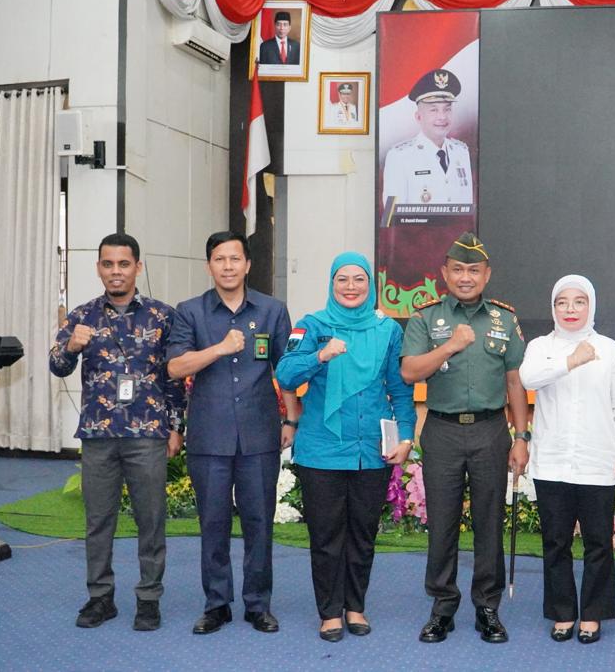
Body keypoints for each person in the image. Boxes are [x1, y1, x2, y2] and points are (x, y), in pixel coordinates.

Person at [275, 252, 417, 642]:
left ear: (370, 285)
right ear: (331, 283)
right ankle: (329, 612)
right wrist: (320, 355)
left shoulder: (387, 329)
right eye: (343, 279)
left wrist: (406, 438)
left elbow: (400, 390)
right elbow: (284, 373)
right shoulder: (312, 325)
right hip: (321, 450)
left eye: (359, 279)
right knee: (325, 535)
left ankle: (355, 606)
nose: (351, 286)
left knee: (362, 533)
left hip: (372, 450)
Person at [49, 233, 187, 632]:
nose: (115, 272)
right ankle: (100, 597)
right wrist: (71, 346)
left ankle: (148, 598)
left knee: (151, 519)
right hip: (98, 435)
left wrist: (176, 427)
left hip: (147, 434)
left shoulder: (163, 316)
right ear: (98, 268)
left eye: (123, 264)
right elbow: (57, 367)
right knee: (98, 519)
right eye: (107, 264)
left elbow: (175, 379)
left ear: (137, 267)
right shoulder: (81, 316)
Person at [167, 231, 300, 635]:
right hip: (209, 437)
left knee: (260, 523)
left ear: (247, 265)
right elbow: (175, 368)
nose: (228, 266)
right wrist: (219, 349)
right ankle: (217, 604)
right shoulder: (189, 312)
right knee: (214, 523)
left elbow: (288, 371)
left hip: (260, 436)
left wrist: (292, 419)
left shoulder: (274, 311)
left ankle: (258, 604)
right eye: (220, 259)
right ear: (209, 265)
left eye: (235, 259)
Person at [400, 231, 528, 644]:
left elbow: (514, 382)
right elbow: (410, 371)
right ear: (444, 273)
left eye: (474, 270)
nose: (466, 277)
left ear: (486, 275)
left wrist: (522, 436)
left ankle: (487, 607)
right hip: (442, 431)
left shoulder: (504, 319)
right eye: (458, 269)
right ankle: (442, 607)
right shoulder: (426, 317)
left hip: (492, 430)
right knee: (442, 523)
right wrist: (450, 347)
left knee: (490, 521)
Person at [519, 274, 615, 645]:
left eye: (579, 302)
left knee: (598, 543)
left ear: (591, 306)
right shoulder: (540, 347)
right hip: (552, 462)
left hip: (597, 463)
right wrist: (570, 361)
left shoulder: (610, 350)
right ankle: (562, 613)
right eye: (562, 303)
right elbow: (528, 379)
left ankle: (592, 614)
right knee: (555, 542)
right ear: (553, 308)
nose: (570, 310)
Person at [382, 68, 474, 207]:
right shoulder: (399, 157)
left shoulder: (461, 152)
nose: (442, 116)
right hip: (415, 229)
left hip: (458, 229)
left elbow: (467, 210)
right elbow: (391, 216)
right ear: (419, 117)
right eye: (433, 110)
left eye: (447, 109)